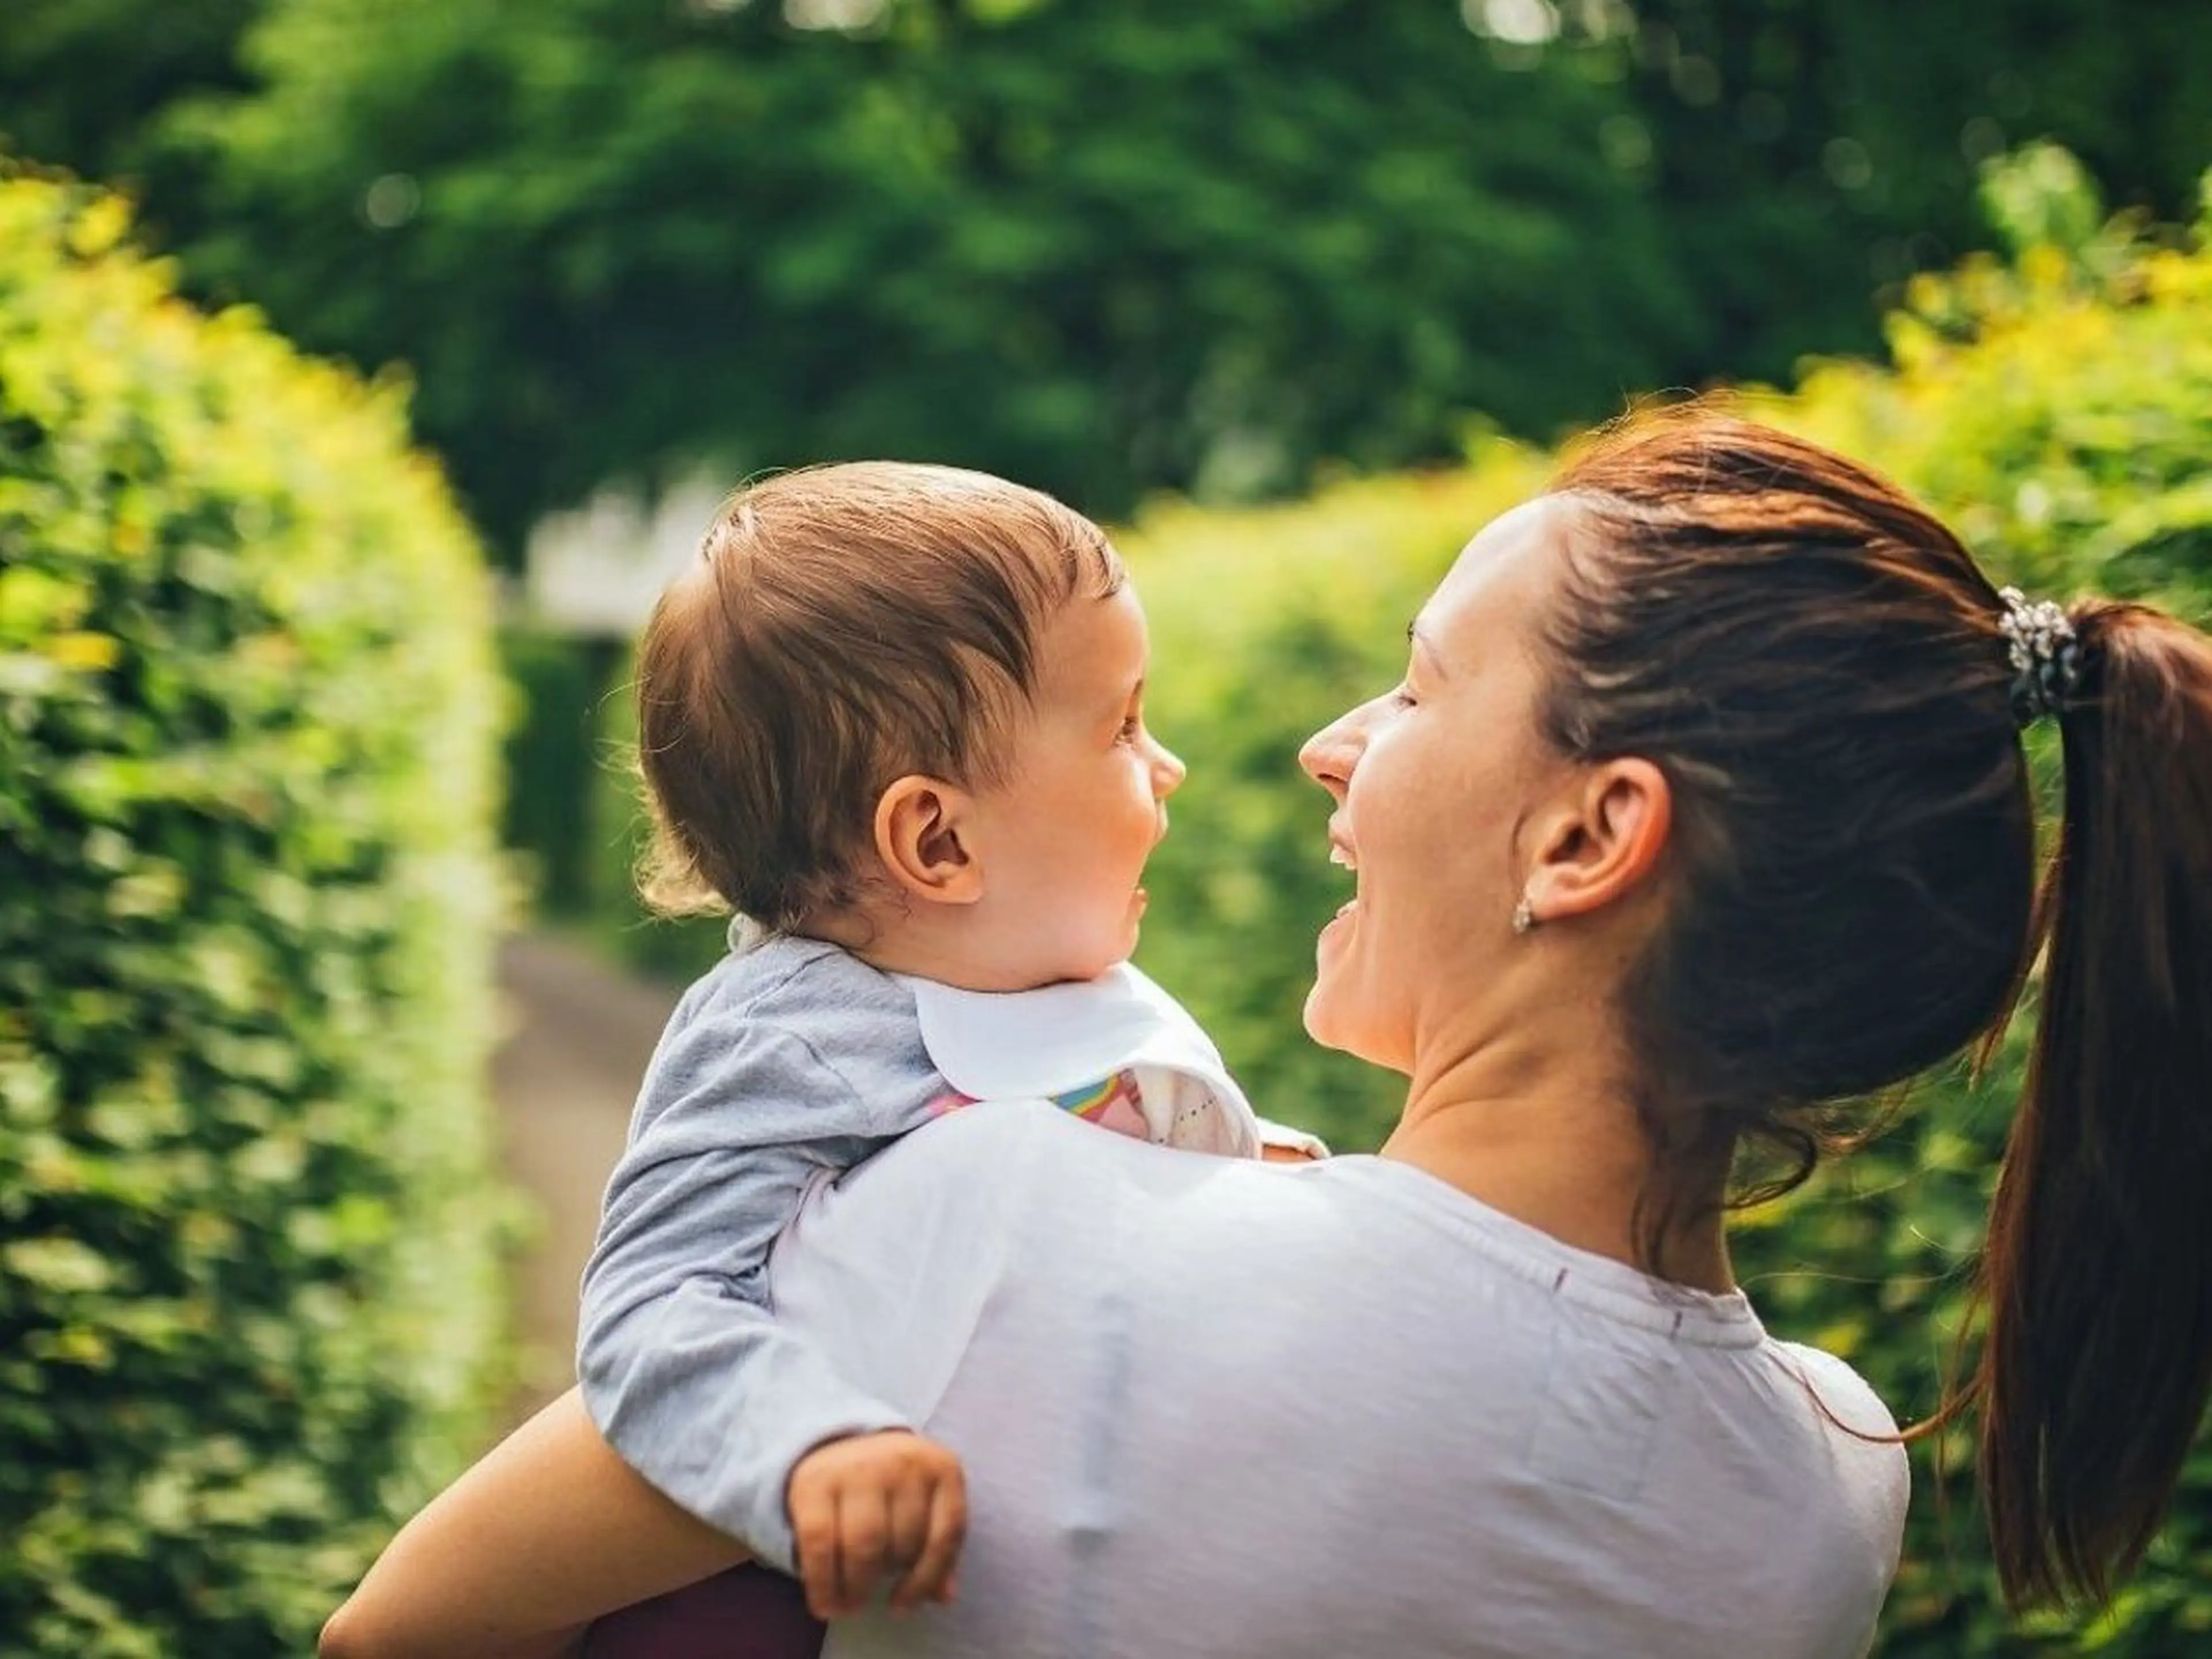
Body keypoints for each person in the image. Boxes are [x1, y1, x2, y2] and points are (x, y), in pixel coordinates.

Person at [320, 413, 2212, 1659]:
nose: (1328, 739)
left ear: (1590, 835)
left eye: (1423, 682)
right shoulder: (1838, 1496)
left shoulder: (998, 1221)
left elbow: (396, 1637)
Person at [573, 464, 1323, 1621]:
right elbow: (656, 1302)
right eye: (1122, 725)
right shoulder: (787, 1037)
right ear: (937, 841)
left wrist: (1241, 1155)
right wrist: (811, 1446)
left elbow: (1074, 1117)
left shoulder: (1020, 976)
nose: (1166, 765)